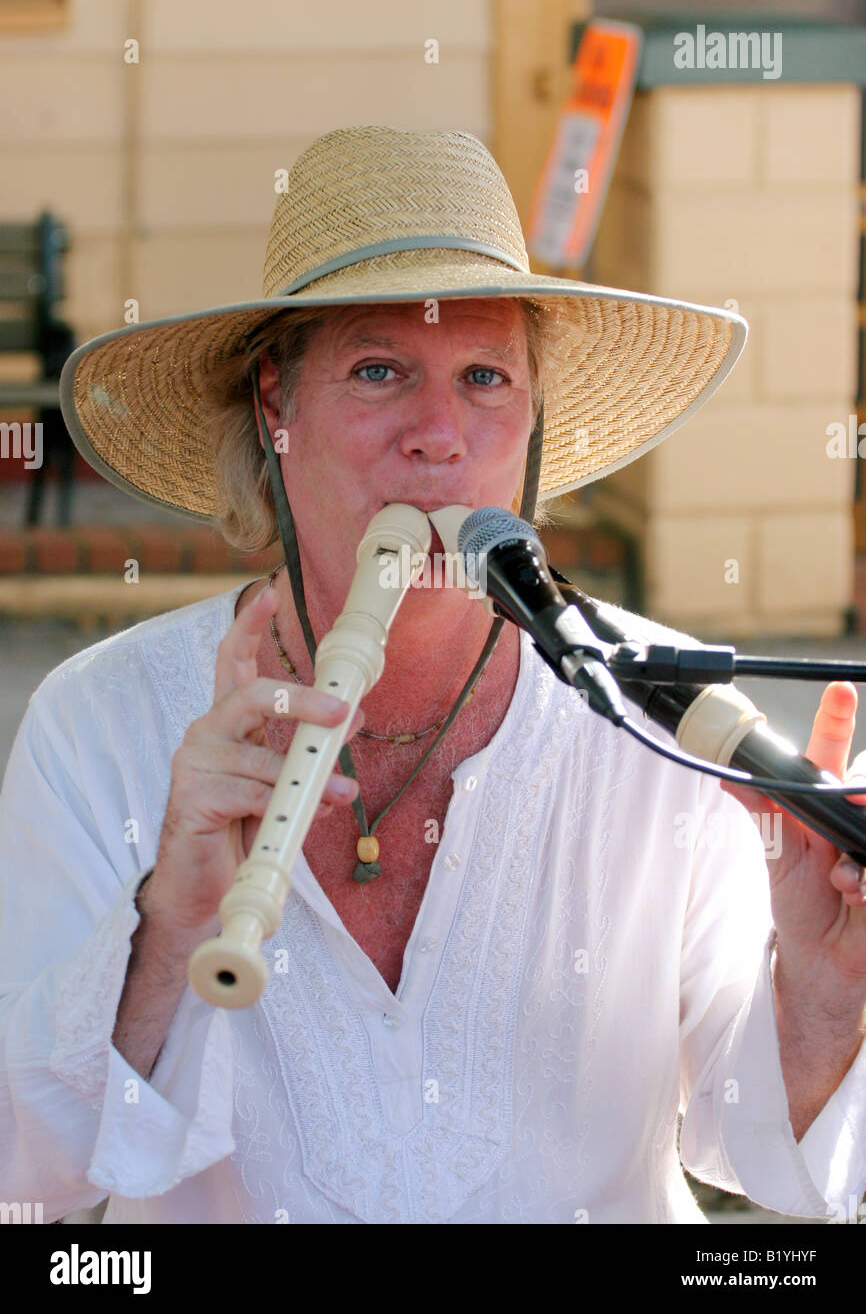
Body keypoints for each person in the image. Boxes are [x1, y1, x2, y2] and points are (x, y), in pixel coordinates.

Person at [1, 125, 865, 1225]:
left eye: (484, 377)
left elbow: (759, 1158)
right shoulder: (99, 724)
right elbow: (28, 1184)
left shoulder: (657, 712)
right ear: (277, 403)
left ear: (532, 420)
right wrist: (168, 925)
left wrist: (821, 993)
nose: (439, 436)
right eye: (377, 370)